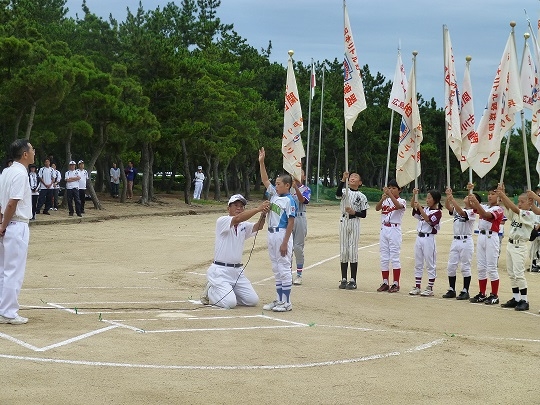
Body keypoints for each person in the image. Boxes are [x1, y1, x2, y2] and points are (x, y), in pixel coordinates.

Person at [200, 194, 270, 309]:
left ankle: (227, 291)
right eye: (236, 205)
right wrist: (258, 209)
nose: (239, 208)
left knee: (252, 301)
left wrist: (263, 214)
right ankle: (210, 291)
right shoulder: (222, 221)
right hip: (220, 271)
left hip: (237, 271)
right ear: (228, 208)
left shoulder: (243, 225)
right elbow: (238, 218)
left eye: (242, 206)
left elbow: (258, 226)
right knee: (229, 304)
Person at [0, 139, 35, 324]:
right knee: (14, 271)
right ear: (25, 154)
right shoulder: (20, 174)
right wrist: (4, 225)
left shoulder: (6, 172)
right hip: (16, 224)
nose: (34, 152)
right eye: (32, 149)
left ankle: (3, 308)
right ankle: (9, 312)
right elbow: (12, 203)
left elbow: (2, 202)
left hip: (6, 225)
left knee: (3, 269)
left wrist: (1, 224)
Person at [258, 147, 296, 312]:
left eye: (279, 184)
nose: (276, 185)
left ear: (287, 186)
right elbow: (265, 180)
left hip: (281, 234)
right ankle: (279, 298)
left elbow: (291, 222)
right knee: (276, 267)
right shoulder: (274, 195)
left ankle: (287, 302)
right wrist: (261, 162)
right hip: (271, 233)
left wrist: (285, 242)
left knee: (284, 266)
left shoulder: (289, 200)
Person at [495, 185, 536, 311]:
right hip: (511, 244)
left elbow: (514, 208)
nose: (519, 204)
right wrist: (502, 193)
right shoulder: (517, 214)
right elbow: (509, 208)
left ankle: (525, 300)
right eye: (518, 202)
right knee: (512, 273)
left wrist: (503, 195)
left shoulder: (529, 214)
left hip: (520, 246)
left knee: (519, 274)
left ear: (530, 202)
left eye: (522, 202)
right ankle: (516, 297)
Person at [468, 184, 505, 305]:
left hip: (491, 237)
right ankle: (482, 293)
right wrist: (470, 191)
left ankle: (494, 295)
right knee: (481, 267)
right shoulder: (484, 206)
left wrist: (476, 203)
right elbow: (472, 206)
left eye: (493, 194)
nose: (490, 196)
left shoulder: (498, 209)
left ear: (499, 197)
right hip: (482, 236)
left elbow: (485, 215)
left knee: (491, 267)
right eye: (489, 194)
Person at [442, 184, 479, 300]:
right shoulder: (459, 209)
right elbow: (448, 207)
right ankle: (452, 289)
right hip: (456, 240)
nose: (467, 198)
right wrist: (448, 197)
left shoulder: (472, 212)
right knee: (451, 266)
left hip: (465, 240)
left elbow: (462, 213)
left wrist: (452, 199)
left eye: (470, 197)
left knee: (465, 266)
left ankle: (465, 290)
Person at [336, 171, 369, 290]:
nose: (352, 178)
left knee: (353, 249)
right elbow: (338, 194)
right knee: (344, 249)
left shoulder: (362, 196)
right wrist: (342, 180)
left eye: (356, 177)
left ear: (360, 182)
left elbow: (364, 214)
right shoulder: (345, 191)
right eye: (351, 176)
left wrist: (354, 212)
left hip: (354, 221)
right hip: (344, 220)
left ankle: (353, 279)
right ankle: (344, 278)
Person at [409, 188, 442, 297]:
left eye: (429, 198)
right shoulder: (425, 209)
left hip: (429, 238)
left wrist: (419, 208)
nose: (427, 200)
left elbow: (429, 220)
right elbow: (412, 206)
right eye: (427, 197)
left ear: (435, 200)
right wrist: (414, 195)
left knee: (430, 263)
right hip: (420, 237)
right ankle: (417, 286)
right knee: (418, 262)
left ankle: (430, 287)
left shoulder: (437, 212)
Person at [375, 179, 406, 293]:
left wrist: (389, 195)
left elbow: (398, 206)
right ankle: (385, 282)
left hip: (394, 229)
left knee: (394, 257)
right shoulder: (386, 200)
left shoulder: (402, 200)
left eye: (394, 188)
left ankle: (396, 283)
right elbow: (377, 208)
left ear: (400, 189)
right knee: (384, 257)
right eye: (390, 188)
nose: (391, 190)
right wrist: (382, 199)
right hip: (384, 228)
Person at [291, 168, 311, 285]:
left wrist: (296, 188)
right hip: (288, 218)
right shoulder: (287, 189)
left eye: (300, 173)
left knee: (297, 247)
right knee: (288, 247)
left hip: (300, 217)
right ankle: (287, 273)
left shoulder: (306, 189)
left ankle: (299, 274)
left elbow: (303, 200)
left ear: (304, 177)